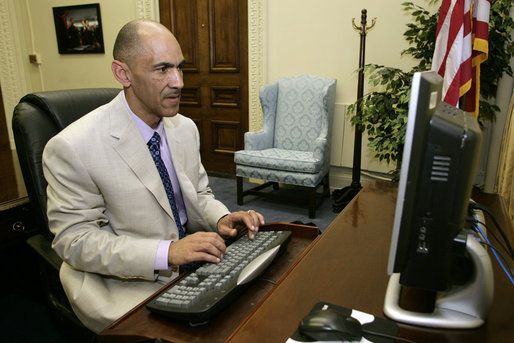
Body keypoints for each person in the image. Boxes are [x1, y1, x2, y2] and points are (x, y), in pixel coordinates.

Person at [42, 19, 265, 333]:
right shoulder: (72, 146)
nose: (178, 82)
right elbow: (74, 242)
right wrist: (166, 252)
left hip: (190, 261)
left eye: (180, 67)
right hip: (124, 284)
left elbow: (199, 194)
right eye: (162, 69)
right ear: (123, 73)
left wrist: (220, 219)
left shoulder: (184, 128)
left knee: (259, 299)